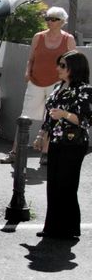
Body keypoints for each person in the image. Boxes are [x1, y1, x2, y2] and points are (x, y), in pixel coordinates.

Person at [1, 7, 76, 165]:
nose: (49, 21)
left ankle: (46, 153)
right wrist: (27, 72)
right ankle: (15, 151)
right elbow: (31, 58)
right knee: (25, 117)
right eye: (47, 18)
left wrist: (69, 82)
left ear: (62, 21)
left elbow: (73, 63)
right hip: (35, 81)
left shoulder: (68, 39)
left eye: (53, 19)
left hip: (57, 84)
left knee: (52, 117)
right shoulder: (38, 37)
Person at [33, 51, 91, 240]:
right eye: (59, 64)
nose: (58, 68)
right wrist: (41, 135)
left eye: (63, 65)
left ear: (75, 68)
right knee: (54, 184)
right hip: (57, 142)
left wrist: (65, 115)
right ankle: (52, 227)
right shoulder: (58, 87)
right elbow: (50, 115)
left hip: (74, 143)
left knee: (67, 185)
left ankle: (69, 228)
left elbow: (86, 121)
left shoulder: (84, 90)